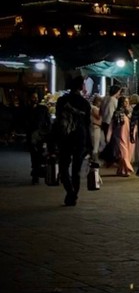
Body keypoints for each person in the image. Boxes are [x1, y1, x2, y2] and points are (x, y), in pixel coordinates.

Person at [50, 75, 92, 206]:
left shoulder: (62, 101)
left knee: (63, 167)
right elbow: (87, 124)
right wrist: (89, 145)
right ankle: (74, 194)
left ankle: (70, 191)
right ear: (81, 87)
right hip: (80, 138)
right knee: (76, 169)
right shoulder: (85, 103)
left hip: (65, 137)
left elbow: (58, 121)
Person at [24, 90, 51, 184]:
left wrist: (47, 133)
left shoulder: (43, 108)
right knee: (33, 155)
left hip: (41, 136)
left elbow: (48, 122)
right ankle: (35, 175)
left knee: (40, 155)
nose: (35, 99)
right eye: (33, 97)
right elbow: (24, 121)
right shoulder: (27, 109)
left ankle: (38, 173)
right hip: (31, 135)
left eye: (36, 97)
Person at [110, 95, 135, 177]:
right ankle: (128, 168)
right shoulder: (117, 113)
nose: (126, 103)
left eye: (127, 102)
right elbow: (114, 125)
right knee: (124, 153)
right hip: (120, 135)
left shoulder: (130, 112)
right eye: (125, 102)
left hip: (130, 135)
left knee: (128, 153)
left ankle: (121, 170)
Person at [99, 85, 122, 165]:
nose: (120, 93)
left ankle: (108, 158)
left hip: (104, 121)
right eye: (119, 91)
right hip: (111, 122)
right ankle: (110, 158)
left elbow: (100, 111)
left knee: (108, 140)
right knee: (112, 141)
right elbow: (115, 111)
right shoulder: (114, 100)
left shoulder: (104, 98)